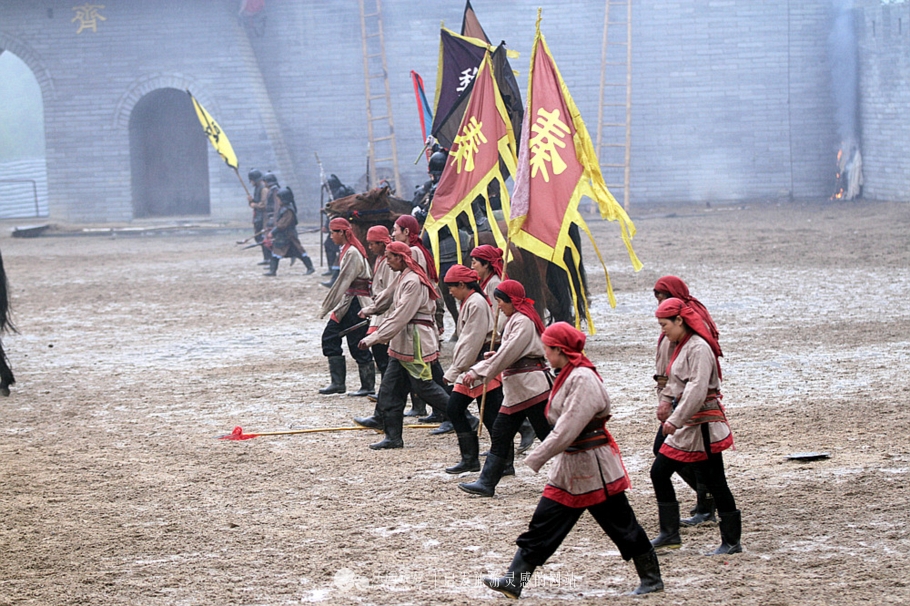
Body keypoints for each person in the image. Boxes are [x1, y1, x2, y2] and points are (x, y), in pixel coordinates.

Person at [483, 322, 663, 598]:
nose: (544, 353)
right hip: (570, 468)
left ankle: (651, 578)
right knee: (542, 524)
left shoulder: (582, 379)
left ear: (560, 350)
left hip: (594, 468)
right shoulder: (566, 373)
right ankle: (514, 580)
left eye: (547, 349)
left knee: (621, 525)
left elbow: (568, 428)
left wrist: (537, 457)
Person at [650, 297, 742, 556]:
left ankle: (732, 541)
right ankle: (669, 534)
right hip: (688, 424)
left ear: (679, 320)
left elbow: (697, 388)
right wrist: (666, 401)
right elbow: (676, 382)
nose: (662, 330)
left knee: (717, 483)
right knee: (659, 472)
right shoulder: (681, 345)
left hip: (702, 425)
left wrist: (674, 421)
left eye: (665, 324)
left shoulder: (699, 348)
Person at [352, 241, 453, 449]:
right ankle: (393, 436)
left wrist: (374, 337)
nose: (387, 261)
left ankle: (461, 416)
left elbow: (400, 316)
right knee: (390, 390)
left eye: (390, 257)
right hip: (402, 344)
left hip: (414, 342)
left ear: (401, 258)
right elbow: (387, 298)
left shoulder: (413, 281)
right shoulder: (403, 276)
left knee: (424, 387)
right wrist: (371, 310)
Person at [458, 280, 552, 497]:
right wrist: (496, 356)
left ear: (512, 301)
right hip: (518, 389)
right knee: (501, 434)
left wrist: (478, 372)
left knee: (548, 435)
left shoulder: (523, 322)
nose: (498, 305)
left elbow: (509, 353)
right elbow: (509, 352)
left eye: (500, 301)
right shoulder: (516, 320)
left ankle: (577, 473)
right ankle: (486, 483)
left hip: (531, 389)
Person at [652, 276, 720, 531]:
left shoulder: (693, 335)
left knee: (665, 453)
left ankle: (707, 502)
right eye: (657, 294)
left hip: (688, 405)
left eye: (663, 294)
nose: (659, 298)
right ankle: (707, 501)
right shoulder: (671, 324)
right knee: (699, 460)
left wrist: (673, 409)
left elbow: (694, 380)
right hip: (675, 398)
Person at [470, 244, 536, 455]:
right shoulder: (486, 282)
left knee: (494, 395)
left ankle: (523, 428)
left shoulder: (496, 284)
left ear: (487, 264)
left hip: (495, 342)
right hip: (492, 343)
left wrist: (494, 335)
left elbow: (498, 318)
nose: (471, 266)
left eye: (474, 262)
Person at [441, 265, 502, 474]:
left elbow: (471, 341)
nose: (450, 292)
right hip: (473, 364)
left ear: (462, 284)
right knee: (489, 415)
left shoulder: (475, 303)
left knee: (458, 409)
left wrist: (455, 370)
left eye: (452, 288)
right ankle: (476, 459)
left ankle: (478, 460)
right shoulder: (470, 301)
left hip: (477, 365)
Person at [317, 218, 375, 397]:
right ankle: (338, 383)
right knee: (330, 337)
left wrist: (326, 306)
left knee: (357, 343)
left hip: (356, 303)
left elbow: (342, 282)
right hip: (348, 301)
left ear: (342, 232)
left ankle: (368, 386)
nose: (331, 236)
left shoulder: (352, 253)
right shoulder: (346, 250)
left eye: (333, 232)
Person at [263, 187, 315, 277]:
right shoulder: (283, 209)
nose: (278, 201)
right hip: (282, 236)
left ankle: (310, 267)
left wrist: (273, 232)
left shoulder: (288, 210)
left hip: (289, 236)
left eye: (279, 199)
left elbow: (282, 224)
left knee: (299, 252)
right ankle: (272, 270)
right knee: (276, 252)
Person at [365, 225, 394, 377]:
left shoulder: (389, 262)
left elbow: (389, 290)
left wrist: (374, 308)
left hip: (385, 311)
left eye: (373, 244)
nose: (370, 247)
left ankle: (387, 391)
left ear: (382, 243)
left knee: (382, 352)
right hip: (378, 309)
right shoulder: (379, 259)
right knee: (379, 353)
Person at [246, 168, 269, 266]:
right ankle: (266, 258)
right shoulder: (257, 188)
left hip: (264, 217)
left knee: (263, 237)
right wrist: (251, 201)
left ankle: (269, 258)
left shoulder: (264, 189)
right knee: (259, 237)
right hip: (258, 217)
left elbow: (263, 205)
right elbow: (256, 202)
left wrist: (253, 205)